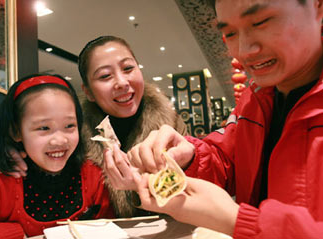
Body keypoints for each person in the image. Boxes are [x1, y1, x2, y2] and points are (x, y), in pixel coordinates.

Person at [114, 0, 323, 238]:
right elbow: (228, 162)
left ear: (316, 5)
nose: (243, 50)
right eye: (230, 33)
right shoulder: (256, 98)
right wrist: (189, 156)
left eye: (261, 22)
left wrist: (237, 221)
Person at [0, 36, 188, 217]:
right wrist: (4, 158)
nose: (121, 82)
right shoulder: (73, 135)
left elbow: (197, 190)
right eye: (104, 76)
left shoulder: (171, 125)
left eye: (128, 68)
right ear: (88, 92)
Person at [0, 75, 113, 238]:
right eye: (44, 128)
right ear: (16, 131)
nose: (60, 139)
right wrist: (13, 234)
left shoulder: (92, 175)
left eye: (69, 125)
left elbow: (110, 225)